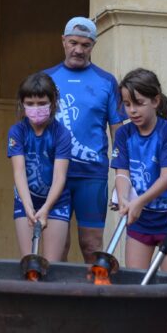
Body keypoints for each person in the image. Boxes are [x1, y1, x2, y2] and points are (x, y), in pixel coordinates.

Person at [111, 68, 167, 333]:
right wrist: (123, 198)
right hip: (140, 220)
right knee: (136, 288)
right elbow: (121, 172)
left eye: (139, 103)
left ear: (155, 101)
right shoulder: (123, 134)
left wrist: (139, 200)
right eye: (127, 104)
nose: (132, 110)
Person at [45, 16, 126, 262]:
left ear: (93, 45)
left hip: (92, 175)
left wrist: (121, 176)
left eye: (85, 45)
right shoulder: (46, 79)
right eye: (73, 43)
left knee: (91, 244)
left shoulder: (107, 81)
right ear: (63, 41)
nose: (78, 50)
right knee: (56, 247)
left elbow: (118, 131)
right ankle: (59, 300)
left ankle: (96, 298)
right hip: (52, 173)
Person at [8, 72, 71, 261]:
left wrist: (46, 207)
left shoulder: (61, 133)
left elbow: (60, 176)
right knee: (29, 263)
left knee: (51, 265)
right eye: (30, 103)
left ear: (52, 102)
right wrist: (28, 207)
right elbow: (18, 172)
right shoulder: (17, 131)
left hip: (56, 202)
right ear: (22, 103)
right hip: (25, 199)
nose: (36, 108)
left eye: (42, 103)